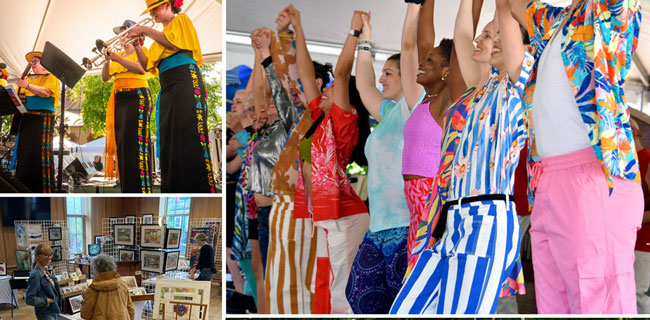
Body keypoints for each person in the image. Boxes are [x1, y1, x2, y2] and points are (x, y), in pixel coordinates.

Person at [391, 0, 532, 313]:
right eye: (483, 34)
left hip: (487, 216)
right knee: (406, 310)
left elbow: (506, 15)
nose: (480, 40)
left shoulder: (514, 86)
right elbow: (461, 34)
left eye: (492, 35)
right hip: (448, 219)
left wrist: (502, 14)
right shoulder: (469, 94)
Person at [508, 0, 643, 313]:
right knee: (554, 304)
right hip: (548, 182)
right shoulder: (554, 21)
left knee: (600, 304)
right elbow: (515, 6)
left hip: (595, 177)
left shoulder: (607, 8)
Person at [291, 6, 370, 313]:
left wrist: (354, 32)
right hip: (327, 216)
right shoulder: (319, 120)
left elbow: (340, 73)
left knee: (340, 292)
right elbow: (306, 73)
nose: (324, 89)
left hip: (346, 215)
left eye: (332, 89)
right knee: (322, 286)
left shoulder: (342, 122)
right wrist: (298, 26)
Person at [129, 0, 216, 193]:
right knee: (170, 140)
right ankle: (174, 186)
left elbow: (173, 42)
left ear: (168, 4)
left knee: (189, 135)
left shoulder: (181, 20)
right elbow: (145, 66)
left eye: (155, 9)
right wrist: (136, 43)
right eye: (150, 11)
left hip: (185, 80)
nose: (152, 14)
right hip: (168, 86)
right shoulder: (156, 42)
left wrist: (143, 29)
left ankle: (196, 187)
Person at [101, 19, 152, 193]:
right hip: (120, 99)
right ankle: (128, 186)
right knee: (123, 145)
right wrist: (106, 60)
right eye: (121, 33)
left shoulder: (142, 51)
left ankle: (140, 187)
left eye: (126, 32)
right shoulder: (118, 56)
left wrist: (115, 57)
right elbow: (105, 78)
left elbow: (141, 69)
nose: (122, 37)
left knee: (135, 143)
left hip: (137, 96)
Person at [12, 51, 59, 193]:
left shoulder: (51, 77)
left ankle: (45, 190)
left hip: (42, 120)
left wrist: (27, 86)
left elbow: (45, 92)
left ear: (44, 64)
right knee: (25, 155)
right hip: (26, 120)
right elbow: (17, 98)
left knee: (41, 156)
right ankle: (23, 189)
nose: (32, 64)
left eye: (36, 61)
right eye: (32, 62)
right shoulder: (29, 80)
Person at [631, 118, 650, 314]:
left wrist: (634, 219)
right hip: (626, 238)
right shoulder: (624, 162)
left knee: (638, 293)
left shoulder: (647, 159)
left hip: (644, 240)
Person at [80, 254, 134, 320]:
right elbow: (130, 309)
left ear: (96, 269)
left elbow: (85, 315)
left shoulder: (92, 289)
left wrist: (84, 299)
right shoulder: (122, 284)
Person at [25, 244, 62, 320]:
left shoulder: (46, 271)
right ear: (37, 256)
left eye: (50, 255)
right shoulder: (35, 275)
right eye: (46, 255)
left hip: (53, 310)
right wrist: (46, 301)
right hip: (45, 313)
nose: (49, 257)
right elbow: (29, 299)